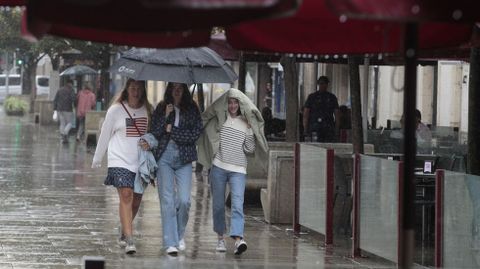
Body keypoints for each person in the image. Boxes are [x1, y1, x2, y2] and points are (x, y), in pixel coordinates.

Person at [197, 88, 269, 255]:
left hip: (238, 170)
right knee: (218, 206)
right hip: (219, 168)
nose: (232, 105)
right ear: (226, 104)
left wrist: (250, 130)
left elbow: (250, 149)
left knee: (237, 204)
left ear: (240, 104)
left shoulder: (246, 123)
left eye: (235, 102)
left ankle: (238, 239)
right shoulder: (220, 120)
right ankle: (220, 239)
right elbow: (206, 123)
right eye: (229, 102)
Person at [91, 79, 152, 254]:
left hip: (140, 163)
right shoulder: (115, 110)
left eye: (139, 88)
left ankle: (124, 230)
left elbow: (154, 135)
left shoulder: (148, 110)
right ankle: (130, 239)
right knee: (126, 194)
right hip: (119, 159)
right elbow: (105, 134)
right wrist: (97, 158)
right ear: (126, 89)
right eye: (133, 88)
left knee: (136, 200)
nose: (136, 91)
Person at [141, 82, 202, 256]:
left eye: (180, 87)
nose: (176, 90)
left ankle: (179, 234)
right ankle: (170, 242)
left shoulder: (192, 109)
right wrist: (165, 118)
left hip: (184, 157)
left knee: (184, 200)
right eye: (173, 86)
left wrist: (172, 131)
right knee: (167, 200)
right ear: (169, 89)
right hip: (164, 157)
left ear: (184, 89)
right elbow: (155, 133)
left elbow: (195, 134)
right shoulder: (161, 107)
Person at [302, 76, 339, 142]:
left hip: (327, 127)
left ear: (327, 85)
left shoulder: (332, 97)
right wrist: (305, 128)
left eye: (324, 83)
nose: (323, 85)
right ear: (318, 84)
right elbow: (306, 113)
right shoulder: (312, 97)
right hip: (316, 126)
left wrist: (336, 129)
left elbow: (337, 114)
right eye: (321, 83)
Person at [53, 79, 76, 143]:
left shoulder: (60, 90)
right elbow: (73, 99)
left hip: (59, 109)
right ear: (71, 84)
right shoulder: (71, 90)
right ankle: (65, 133)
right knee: (70, 123)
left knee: (62, 123)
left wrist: (55, 109)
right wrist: (75, 104)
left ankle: (63, 135)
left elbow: (55, 100)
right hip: (68, 109)